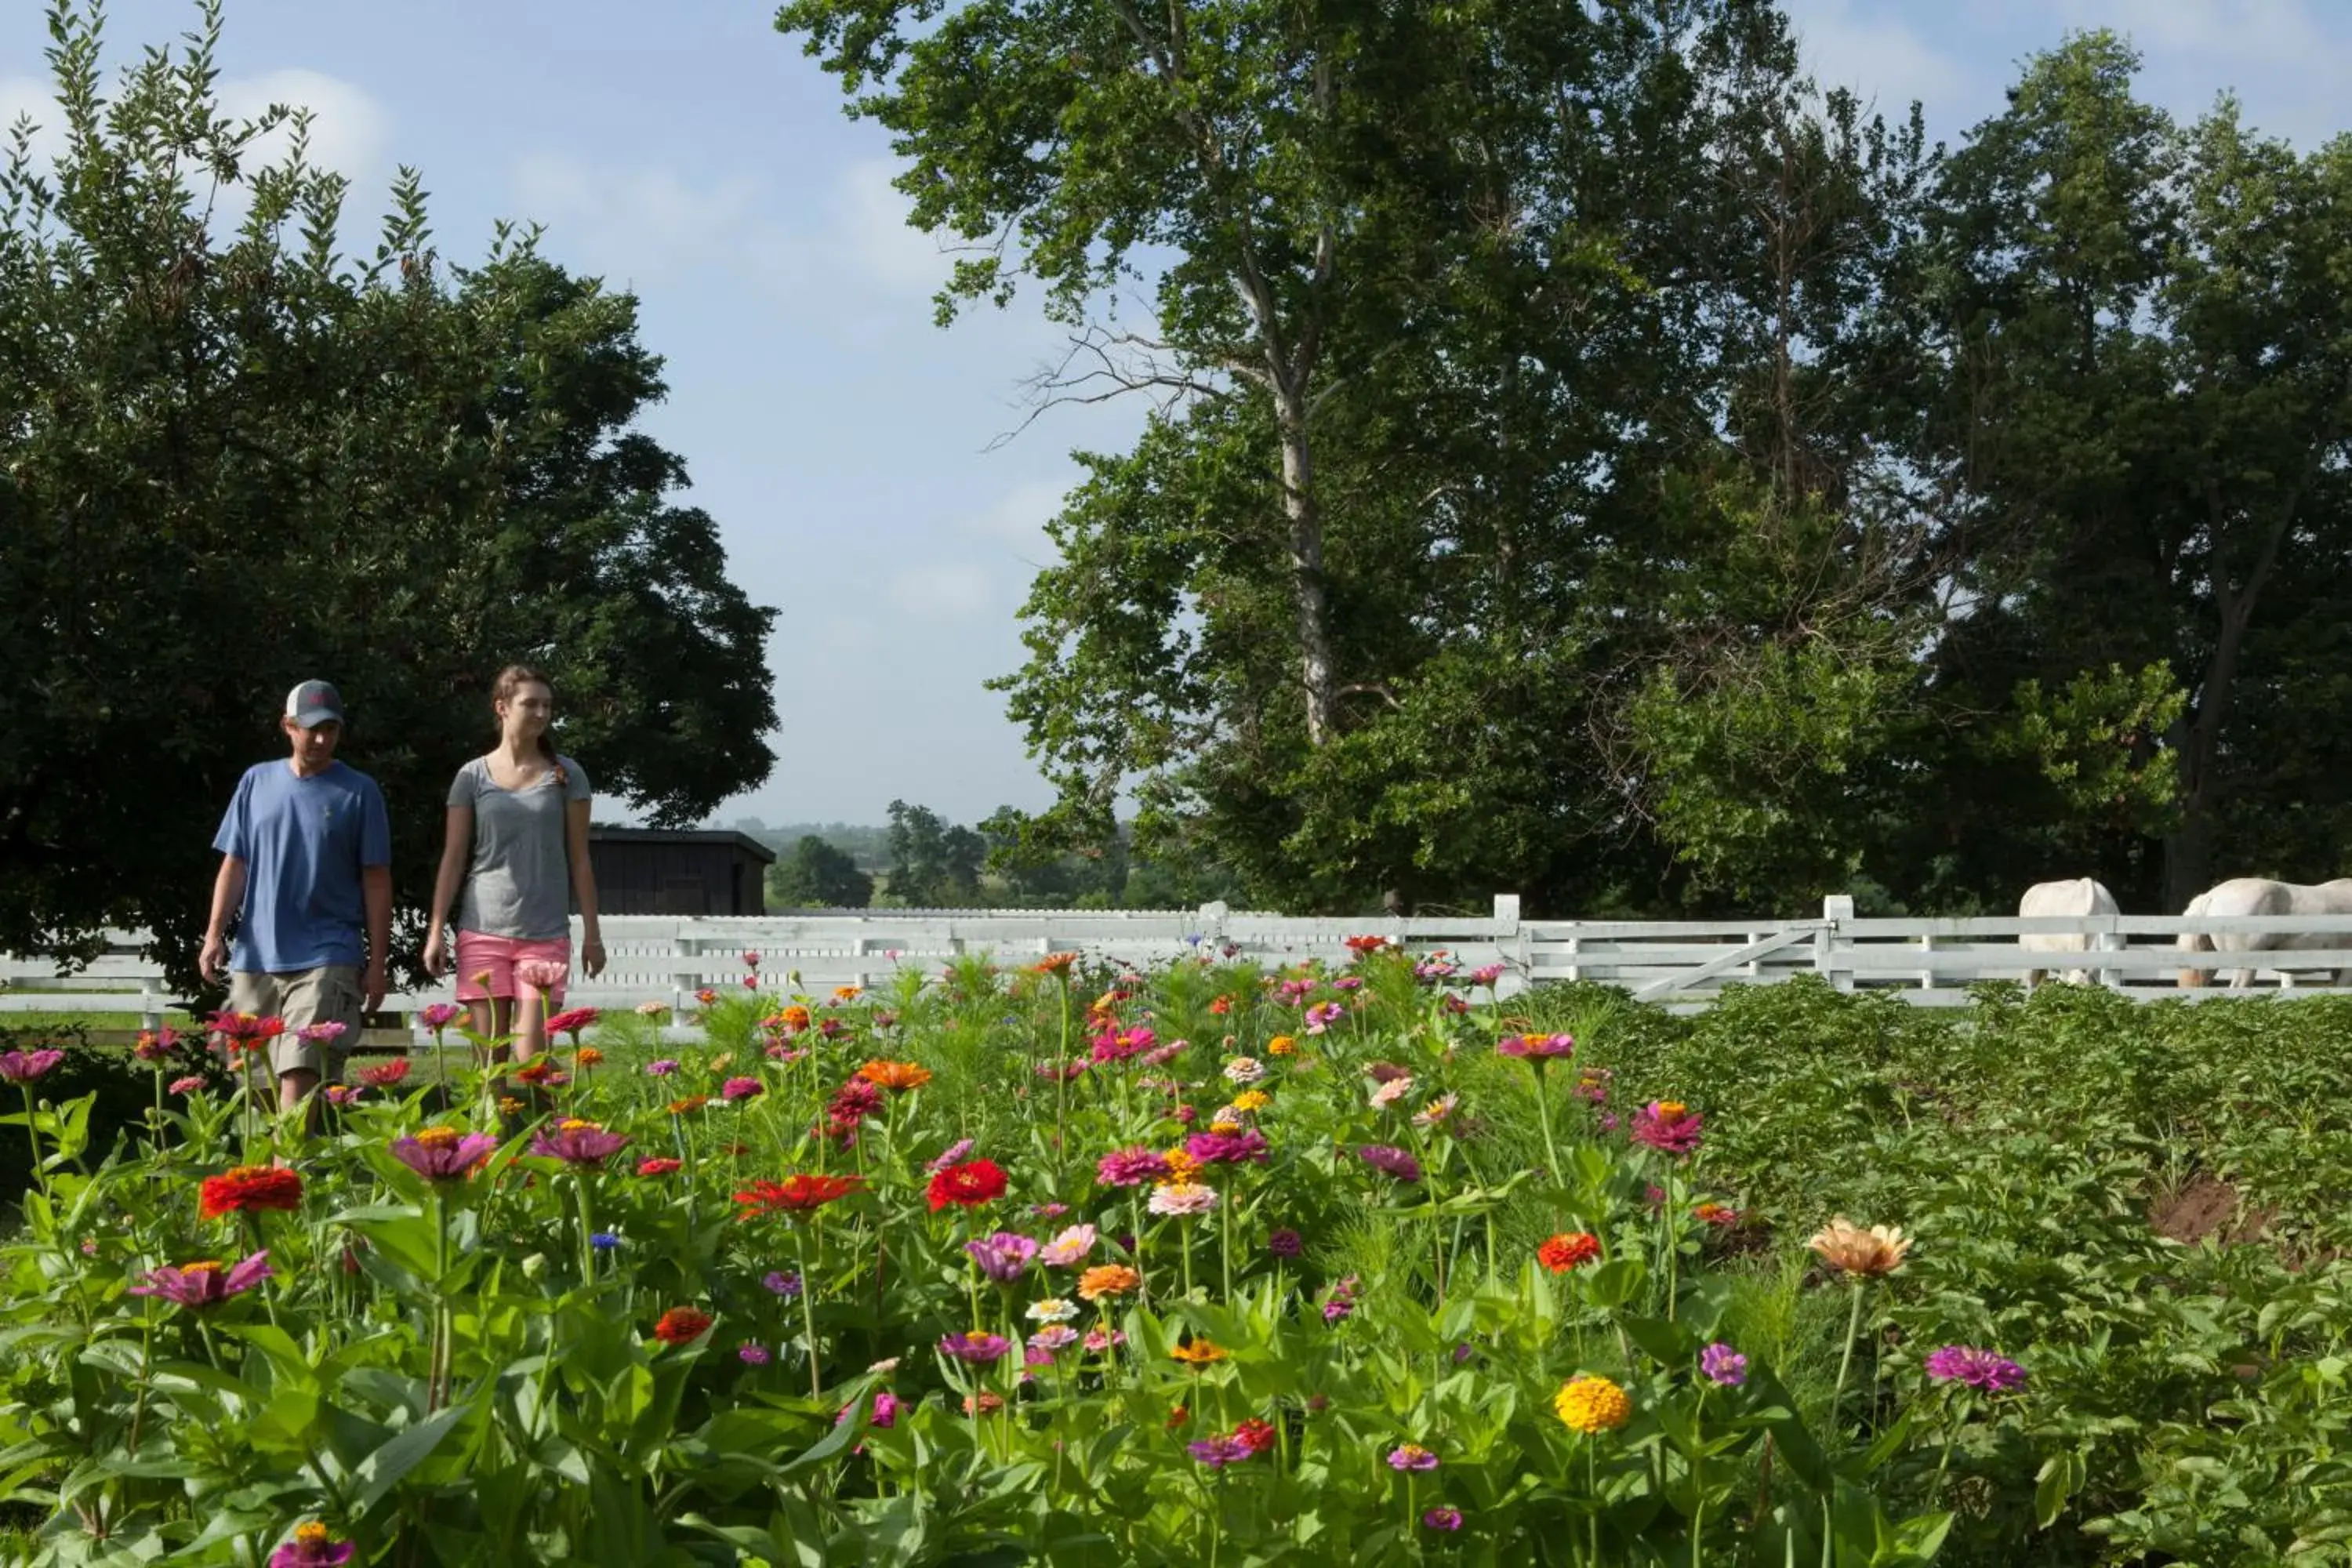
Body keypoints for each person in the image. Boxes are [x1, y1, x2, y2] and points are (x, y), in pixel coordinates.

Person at [199, 680, 393, 1113]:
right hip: (257, 956)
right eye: (312, 729)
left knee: (300, 1075)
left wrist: (377, 963)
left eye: (331, 729)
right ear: (288, 726)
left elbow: (377, 880)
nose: (322, 739)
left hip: (328, 954)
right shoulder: (256, 782)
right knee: (255, 1088)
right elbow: (236, 864)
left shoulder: (359, 792)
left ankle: (290, 1173)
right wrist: (214, 934)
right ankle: (272, 1177)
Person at [423, 666, 605, 1056]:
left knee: (531, 1058)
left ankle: (562, 1121)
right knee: (489, 1063)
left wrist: (593, 935)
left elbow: (580, 859)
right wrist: (436, 930)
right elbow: (453, 859)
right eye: (531, 704)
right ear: (502, 707)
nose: (541, 713)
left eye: (547, 705)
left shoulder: (566, 775)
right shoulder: (471, 777)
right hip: (482, 930)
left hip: (546, 933)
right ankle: (491, 1121)